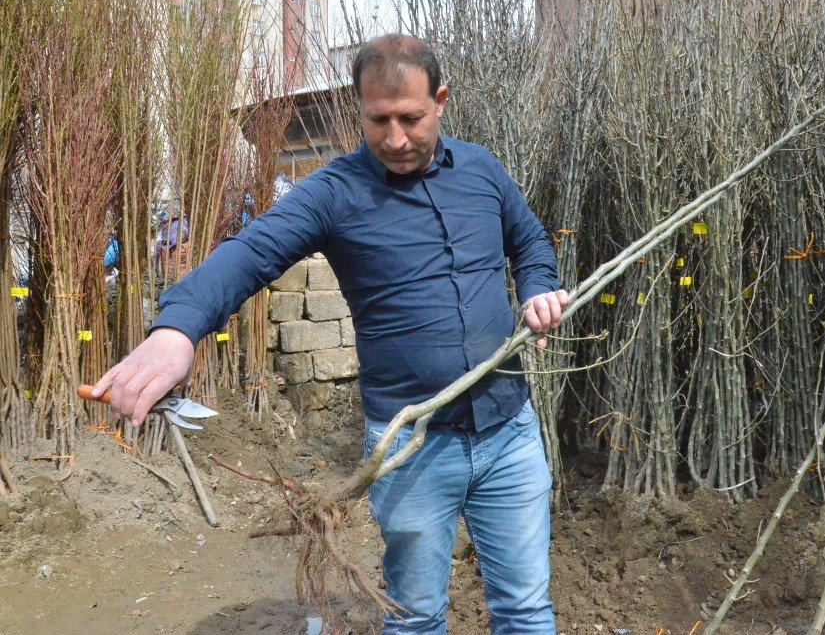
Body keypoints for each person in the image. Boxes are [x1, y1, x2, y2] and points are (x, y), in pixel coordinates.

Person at [92, 34, 566, 634]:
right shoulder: (334, 192)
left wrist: (537, 288)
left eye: (411, 118)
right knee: (415, 617)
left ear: (440, 100)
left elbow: (527, 242)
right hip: (410, 446)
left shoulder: (481, 169)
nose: (395, 138)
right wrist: (177, 330)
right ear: (358, 109)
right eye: (378, 120)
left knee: (525, 611)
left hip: (509, 434)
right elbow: (249, 254)